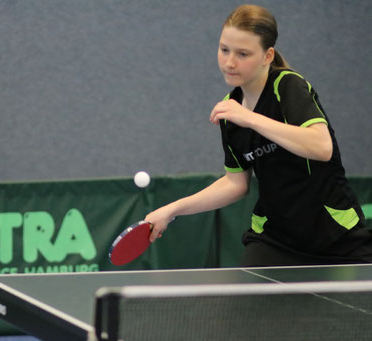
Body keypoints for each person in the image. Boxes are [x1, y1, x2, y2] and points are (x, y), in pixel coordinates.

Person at [145, 5, 372, 267]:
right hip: (275, 239)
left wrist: (250, 118)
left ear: (267, 56)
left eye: (243, 53)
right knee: (247, 307)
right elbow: (235, 184)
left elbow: (322, 147)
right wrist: (172, 210)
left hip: (334, 234)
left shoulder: (287, 86)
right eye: (224, 49)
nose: (229, 62)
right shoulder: (230, 109)